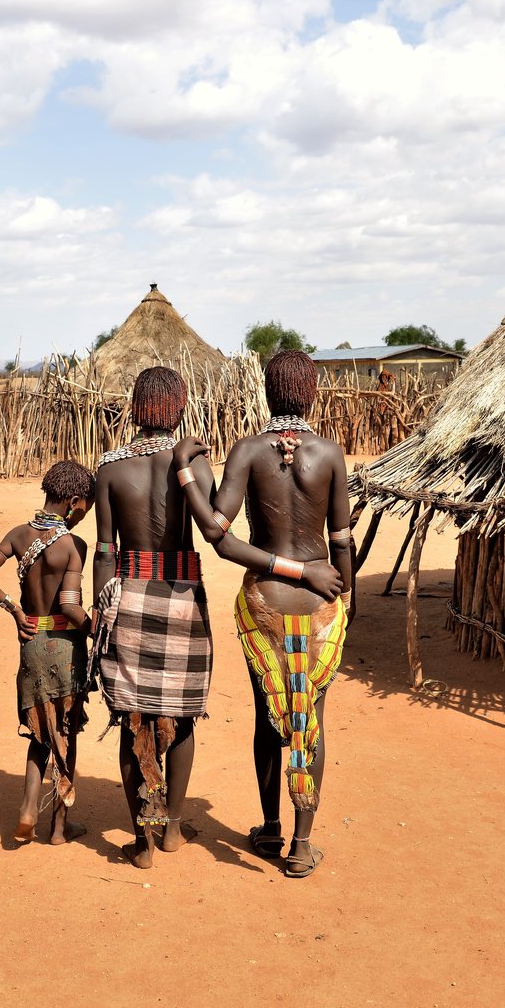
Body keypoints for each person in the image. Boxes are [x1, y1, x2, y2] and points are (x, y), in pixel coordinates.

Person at [173, 350, 352, 878]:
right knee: (308, 718)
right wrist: (345, 605)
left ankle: (270, 827)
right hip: (321, 607)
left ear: (268, 391)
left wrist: (187, 474)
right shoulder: (331, 453)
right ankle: (300, 845)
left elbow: (219, 537)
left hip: (264, 605)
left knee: (267, 716)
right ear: (310, 392)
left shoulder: (248, 452)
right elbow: (341, 542)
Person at [88, 367, 216, 868]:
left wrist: (104, 614)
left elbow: (104, 551)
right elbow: (215, 528)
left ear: (137, 408)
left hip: (130, 598)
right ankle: (172, 832)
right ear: (178, 406)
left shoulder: (109, 469)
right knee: (180, 717)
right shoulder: (194, 463)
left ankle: (142, 843)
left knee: (132, 718)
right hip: (183, 596)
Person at [0, 459, 96, 846]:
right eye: (83, 510)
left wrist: (15, 609)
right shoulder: (72, 546)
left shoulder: (19, 534)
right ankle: (59, 828)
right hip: (64, 648)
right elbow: (72, 608)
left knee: (39, 733)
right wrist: (99, 632)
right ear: (75, 501)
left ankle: (27, 809)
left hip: (31, 645)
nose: (81, 518)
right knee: (66, 732)